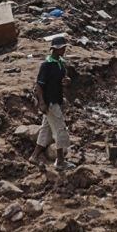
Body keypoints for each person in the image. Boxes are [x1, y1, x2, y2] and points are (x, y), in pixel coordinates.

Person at [29, 36, 74, 170]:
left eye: (64, 48)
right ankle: (60, 161)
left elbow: (61, 81)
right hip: (50, 103)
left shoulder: (60, 63)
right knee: (60, 129)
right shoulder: (47, 65)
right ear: (54, 49)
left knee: (46, 130)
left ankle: (34, 157)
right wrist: (42, 103)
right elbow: (39, 85)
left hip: (56, 100)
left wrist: (66, 82)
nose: (64, 50)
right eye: (62, 48)